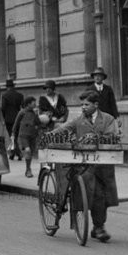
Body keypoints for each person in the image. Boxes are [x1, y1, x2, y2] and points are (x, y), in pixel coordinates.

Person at [49, 91, 119, 242]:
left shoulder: (108, 119)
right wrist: (48, 136)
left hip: (103, 166)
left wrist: (96, 138)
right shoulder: (78, 120)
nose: (83, 107)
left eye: (86, 104)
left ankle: (98, 227)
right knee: (91, 193)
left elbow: (114, 137)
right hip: (84, 166)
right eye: (81, 105)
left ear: (96, 105)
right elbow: (62, 129)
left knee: (102, 197)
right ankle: (97, 227)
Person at [11, 96, 40, 178]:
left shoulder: (34, 113)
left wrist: (38, 116)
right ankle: (28, 170)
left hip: (32, 136)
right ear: (28, 104)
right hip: (23, 136)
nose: (35, 104)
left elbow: (38, 123)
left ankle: (28, 168)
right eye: (33, 102)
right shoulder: (22, 112)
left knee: (30, 153)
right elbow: (16, 124)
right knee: (28, 151)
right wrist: (13, 134)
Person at [1, 79, 24, 160]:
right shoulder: (20, 95)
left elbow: (3, 108)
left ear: (7, 87)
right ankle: (13, 153)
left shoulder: (5, 95)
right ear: (13, 86)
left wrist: (4, 117)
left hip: (9, 119)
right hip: (18, 118)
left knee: (12, 136)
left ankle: (18, 153)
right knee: (15, 136)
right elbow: (22, 107)